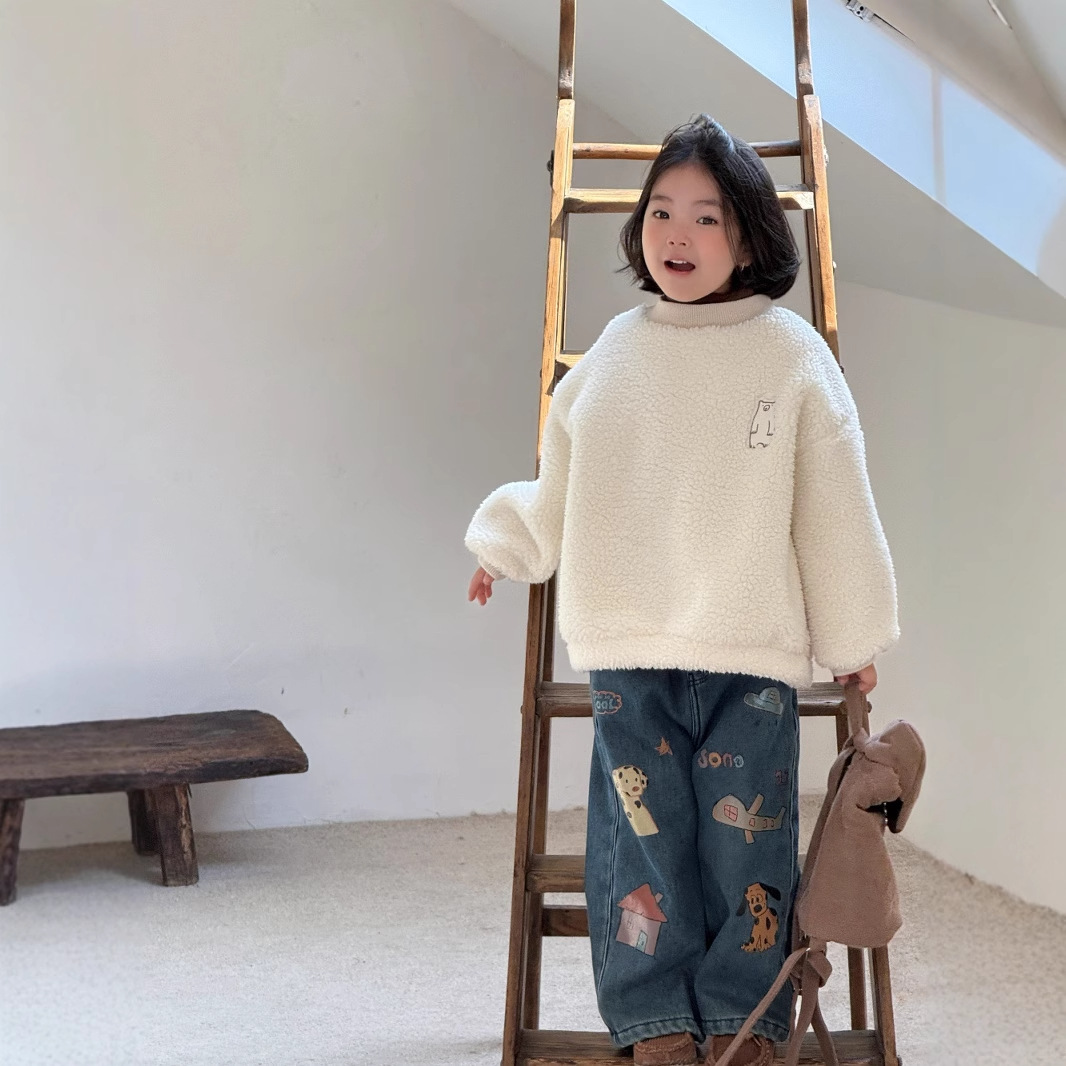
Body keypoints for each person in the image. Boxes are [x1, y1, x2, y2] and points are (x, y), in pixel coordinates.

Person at [463, 115, 898, 1066]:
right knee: (641, 848)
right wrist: (505, 543)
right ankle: (655, 1020)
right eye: (661, 211)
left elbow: (833, 502)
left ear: (749, 234)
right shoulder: (615, 353)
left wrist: (852, 633)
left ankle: (745, 1018)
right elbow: (561, 482)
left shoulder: (790, 355)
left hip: (751, 653)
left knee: (749, 851)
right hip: (632, 649)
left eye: (707, 217)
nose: (678, 234)